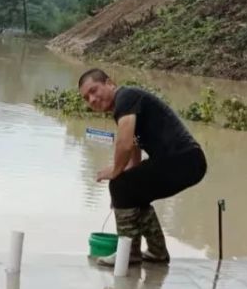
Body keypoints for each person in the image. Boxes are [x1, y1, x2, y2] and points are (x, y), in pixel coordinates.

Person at [79, 69, 207, 266]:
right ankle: (157, 252)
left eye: (94, 90)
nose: (93, 99)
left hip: (184, 159)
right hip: (182, 162)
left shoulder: (126, 97)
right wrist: (123, 200)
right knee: (129, 190)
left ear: (110, 83)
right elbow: (135, 157)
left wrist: (115, 174)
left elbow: (124, 144)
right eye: (87, 98)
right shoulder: (124, 107)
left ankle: (129, 253)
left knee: (120, 185)